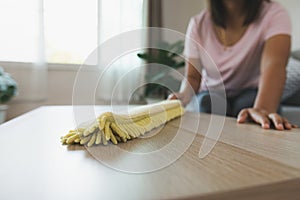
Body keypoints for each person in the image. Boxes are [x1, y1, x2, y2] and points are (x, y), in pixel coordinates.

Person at [169, 0, 296, 130]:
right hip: (212, 92)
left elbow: (274, 67)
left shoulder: (274, 14)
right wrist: (183, 95)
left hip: (250, 92)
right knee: (207, 103)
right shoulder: (198, 24)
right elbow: (193, 77)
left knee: (247, 105)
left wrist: (262, 109)